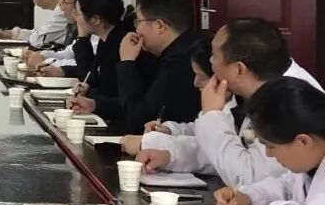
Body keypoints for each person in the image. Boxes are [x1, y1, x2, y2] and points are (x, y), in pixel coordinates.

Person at [136, 19, 321, 186]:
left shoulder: (289, 102)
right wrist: (171, 156)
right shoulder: (257, 86)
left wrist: (212, 115)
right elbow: (230, 151)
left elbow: (246, 176)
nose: (210, 60)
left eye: (215, 55)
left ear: (239, 69)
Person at [213, 77, 325, 205]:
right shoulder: (312, 160)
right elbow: (288, 186)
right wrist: (249, 197)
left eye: (271, 146)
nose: (268, 154)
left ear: (304, 141)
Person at [65, 0, 156, 134]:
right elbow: (91, 77)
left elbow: (119, 96)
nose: (76, 18)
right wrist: (87, 88)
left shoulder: (124, 43)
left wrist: (94, 99)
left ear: (95, 19)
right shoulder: (107, 38)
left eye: (77, 14)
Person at [111, 0, 202, 134]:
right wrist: (96, 104)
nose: (136, 30)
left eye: (138, 22)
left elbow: (139, 122)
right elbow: (142, 100)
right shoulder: (177, 49)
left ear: (159, 26)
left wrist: (127, 63)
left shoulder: (181, 62)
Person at [121, 37, 212, 156]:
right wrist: (169, 129)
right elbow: (199, 130)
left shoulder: (177, 61)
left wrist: (148, 143)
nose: (196, 83)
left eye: (201, 76)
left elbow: (210, 148)